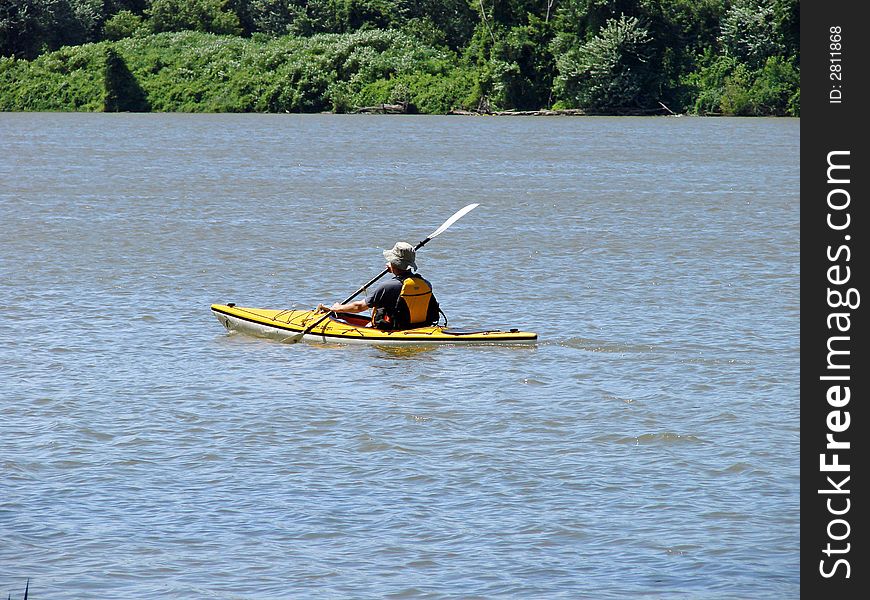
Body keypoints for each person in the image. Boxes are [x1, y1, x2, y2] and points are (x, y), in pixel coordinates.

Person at [316, 242, 440, 330]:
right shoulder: (425, 283)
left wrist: (336, 308)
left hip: (397, 328)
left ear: (393, 262)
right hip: (420, 327)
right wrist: (394, 267)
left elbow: (359, 307)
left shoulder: (387, 287)